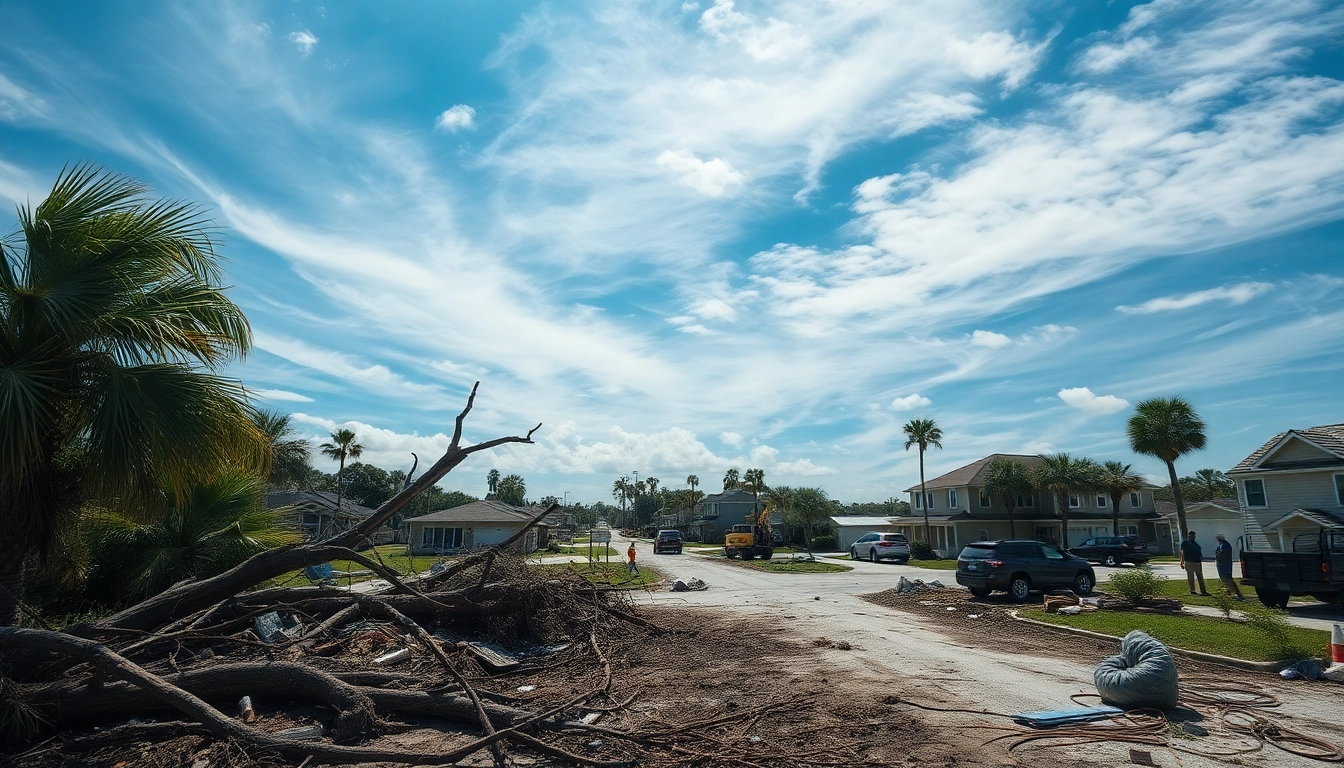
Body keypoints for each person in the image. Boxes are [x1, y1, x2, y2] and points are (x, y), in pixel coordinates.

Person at [1214, 534, 1245, 600]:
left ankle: (1237, 594)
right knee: (1225, 580)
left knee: (1228, 579)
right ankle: (1228, 593)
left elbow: (1223, 553)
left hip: (1225, 565)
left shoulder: (1225, 545)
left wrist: (1217, 555)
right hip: (1222, 565)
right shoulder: (1221, 544)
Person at [1179, 530, 1209, 596]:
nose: (1192, 537)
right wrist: (1182, 562)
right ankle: (1192, 590)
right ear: (1189, 536)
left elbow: (1199, 553)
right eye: (1191, 536)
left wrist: (1201, 558)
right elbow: (1182, 553)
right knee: (1190, 576)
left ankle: (1203, 591)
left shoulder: (1196, 544)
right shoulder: (1185, 543)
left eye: (1193, 536)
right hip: (1189, 562)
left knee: (1200, 576)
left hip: (1197, 562)